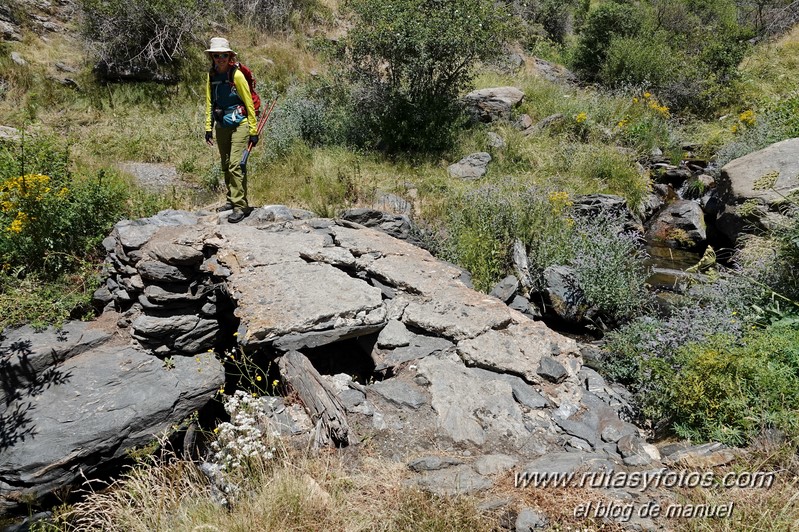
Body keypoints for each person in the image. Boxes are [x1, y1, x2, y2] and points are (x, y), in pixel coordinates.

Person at [204, 37, 258, 224]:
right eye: (217, 55)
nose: (220, 58)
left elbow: (249, 103)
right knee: (226, 164)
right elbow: (210, 101)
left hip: (240, 123)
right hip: (222, 124)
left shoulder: (236, 75)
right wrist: (208, 127)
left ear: (229, 56)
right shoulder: (211, 75)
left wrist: (253, 129)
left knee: (236, 164)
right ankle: (231, 199)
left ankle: (240, 205)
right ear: (212, 57)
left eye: (224, 55)